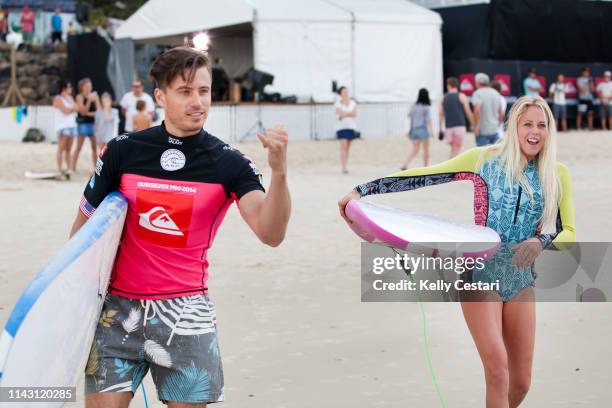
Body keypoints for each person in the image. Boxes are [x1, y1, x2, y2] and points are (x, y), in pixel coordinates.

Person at [71, 46, 291, 407]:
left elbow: (271, 233)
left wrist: (280, 173)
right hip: (118, 312)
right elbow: (82, 232)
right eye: (185, 92)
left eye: (203, 92)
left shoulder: (228, 163)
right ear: (160, 96)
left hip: (185, 315)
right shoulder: (123, 151)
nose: (197, 102)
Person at [339, 95, 575, 408]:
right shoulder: (484, 160)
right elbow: (426, 175)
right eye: (527, 123)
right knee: (498, 371)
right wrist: (363, 189)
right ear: (515, 127)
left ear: (550, 130)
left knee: (520, 384)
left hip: (520, 280)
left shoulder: (556, 174)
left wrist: (540, 242)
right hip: (480, 275)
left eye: (542, 125)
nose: (535, 131)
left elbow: (568, 232)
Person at [439, 77, 474, 159]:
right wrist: (473, 124)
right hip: (459, 126)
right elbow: (468, 112)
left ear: (448, 85)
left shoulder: (443, 98)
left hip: (448, 127)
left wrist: (440, 128)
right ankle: (449, 167)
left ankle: (450, 166)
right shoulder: (461, 96)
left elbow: (440, 114)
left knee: (454, 148)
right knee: (456, 149)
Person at [71, 78, 100, 172]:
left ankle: (96, 168)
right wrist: (88, 101)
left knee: (94, 147)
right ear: (82, 87)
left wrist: (90, 113)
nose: (89, 88)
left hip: (92, 123)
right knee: (79, 147)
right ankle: (72, 167)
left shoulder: (95, 96)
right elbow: (83, 112)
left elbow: (99, 111)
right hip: (83, 123)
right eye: (87, 86)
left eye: (90, 86)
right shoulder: (79, 96)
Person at [402, 88, 433, 169]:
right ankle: (425, 168)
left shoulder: (413, 105)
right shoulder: (426, 107)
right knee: (426, 150)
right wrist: (431, 131)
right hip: (422, 130)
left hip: (413, 130)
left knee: (415, 149)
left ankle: (405, 164)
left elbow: (408, 116)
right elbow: (428, 120)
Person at [52, 80, 77, 176]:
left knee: (68, 149)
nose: (71, 89)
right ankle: (59, 169)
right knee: (61, 148)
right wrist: (72, 109)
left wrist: (72, 109)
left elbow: (77, 108)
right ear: (64, 88)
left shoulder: (70, 98)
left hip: (71, 125)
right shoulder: (58, 98)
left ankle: (69, 168)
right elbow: (65, 111)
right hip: (63, 126)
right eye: (69, 87)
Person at [473, 73, 504, 146]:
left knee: (483, 155)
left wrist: (476, 126)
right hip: (494, 129)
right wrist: (498, 124)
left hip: (483, 130)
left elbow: (477, 110)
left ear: (477, 82)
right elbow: (501, 113)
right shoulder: (496, 93)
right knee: (494, 155)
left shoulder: (478, 93)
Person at [335, 86, 358, 174]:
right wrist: (349, 113)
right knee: (343, 146)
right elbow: (339, 114)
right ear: (340, 93)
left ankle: (345, 164)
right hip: (341, 127)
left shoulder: (352, 102)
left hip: (351, 127)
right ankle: (343, 167)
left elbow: (355, 113)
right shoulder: (338, 103)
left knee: (347, 147)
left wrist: (345, 113)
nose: (345, 93)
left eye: (346, 91)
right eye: (343, 92)